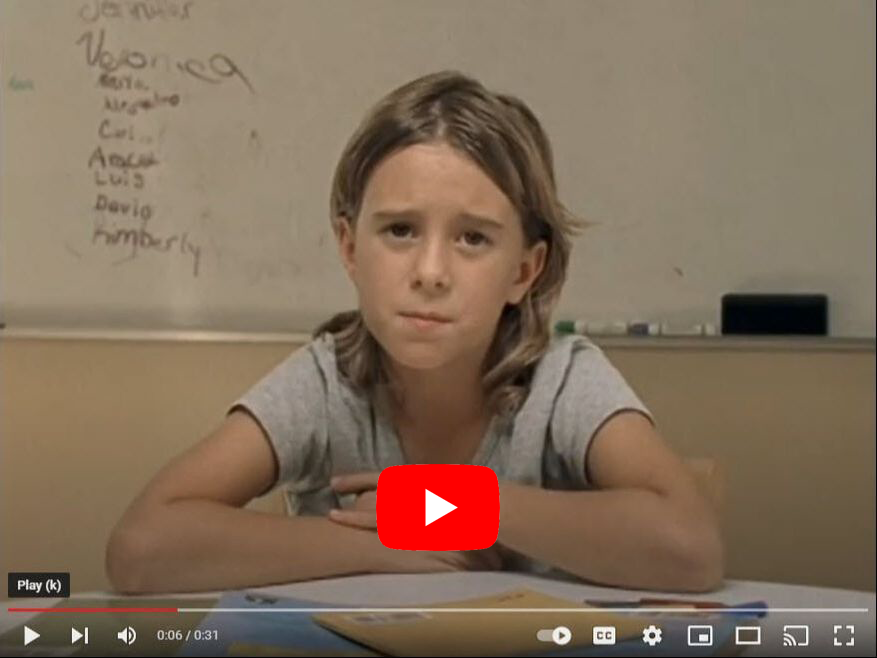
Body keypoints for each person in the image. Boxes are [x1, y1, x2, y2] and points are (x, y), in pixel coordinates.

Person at [106, 70, 723, 594]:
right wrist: (382, 547)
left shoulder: (562, 382)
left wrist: (453, 506)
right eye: (400, 231)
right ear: (350, 246)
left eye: (473, 238)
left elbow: (691, 549)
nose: (430, 273)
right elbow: (141, 547)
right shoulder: (327, 383)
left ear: (524, 271)